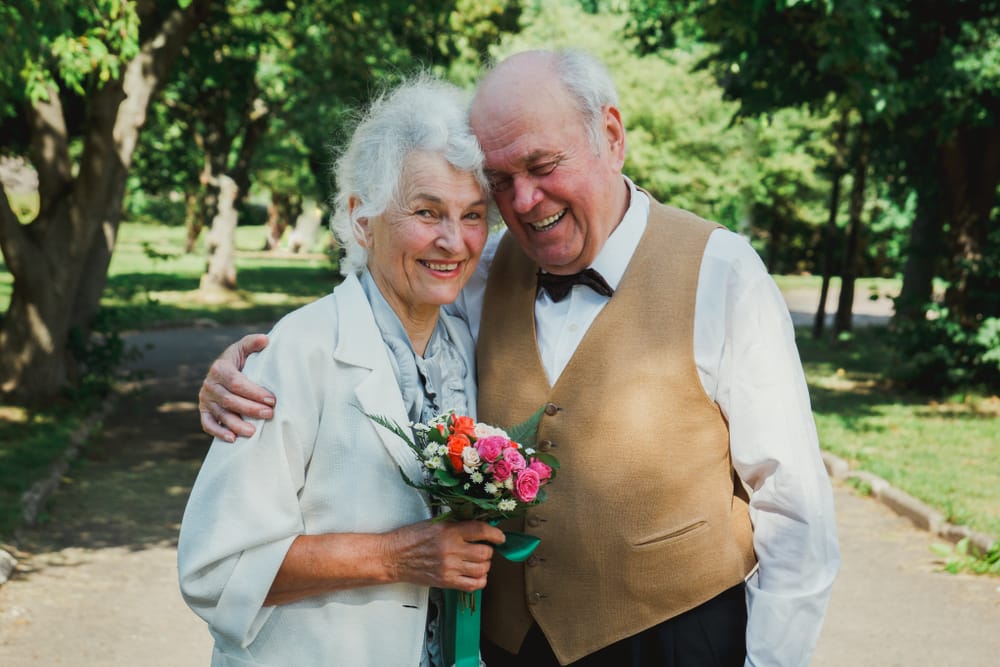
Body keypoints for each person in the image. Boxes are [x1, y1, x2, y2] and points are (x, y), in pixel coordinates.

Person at [199, 50, 840, 667]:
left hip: (675, 641)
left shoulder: (722, 272)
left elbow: (793, 505)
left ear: (611, 135)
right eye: (502, 182)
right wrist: (245, 370)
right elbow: (379, 302)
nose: (526, 200)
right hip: (503, 650)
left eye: (543, 165)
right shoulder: (478, 274)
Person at [177, 74, 505, 667]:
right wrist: (395, 557)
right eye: (426, 211)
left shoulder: (465, 340)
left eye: (474, 215)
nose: (454, 240)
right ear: (361, 219)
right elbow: (213, 568)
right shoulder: (298, 351)